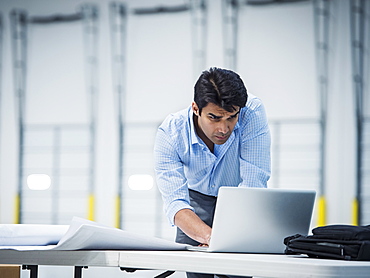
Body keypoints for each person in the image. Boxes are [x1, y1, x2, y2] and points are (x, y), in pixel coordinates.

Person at [154, 67, 271, 278]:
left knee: (237, 271)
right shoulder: (170, 133)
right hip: (195, 202)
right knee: (199, 270)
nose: (223, 128)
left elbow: (254, 181)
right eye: (214, 118)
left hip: (239, 199)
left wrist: (230, 239)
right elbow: (176, 203)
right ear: (196, 108)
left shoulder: (251, 111)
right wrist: (211, 236)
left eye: (231, 118)